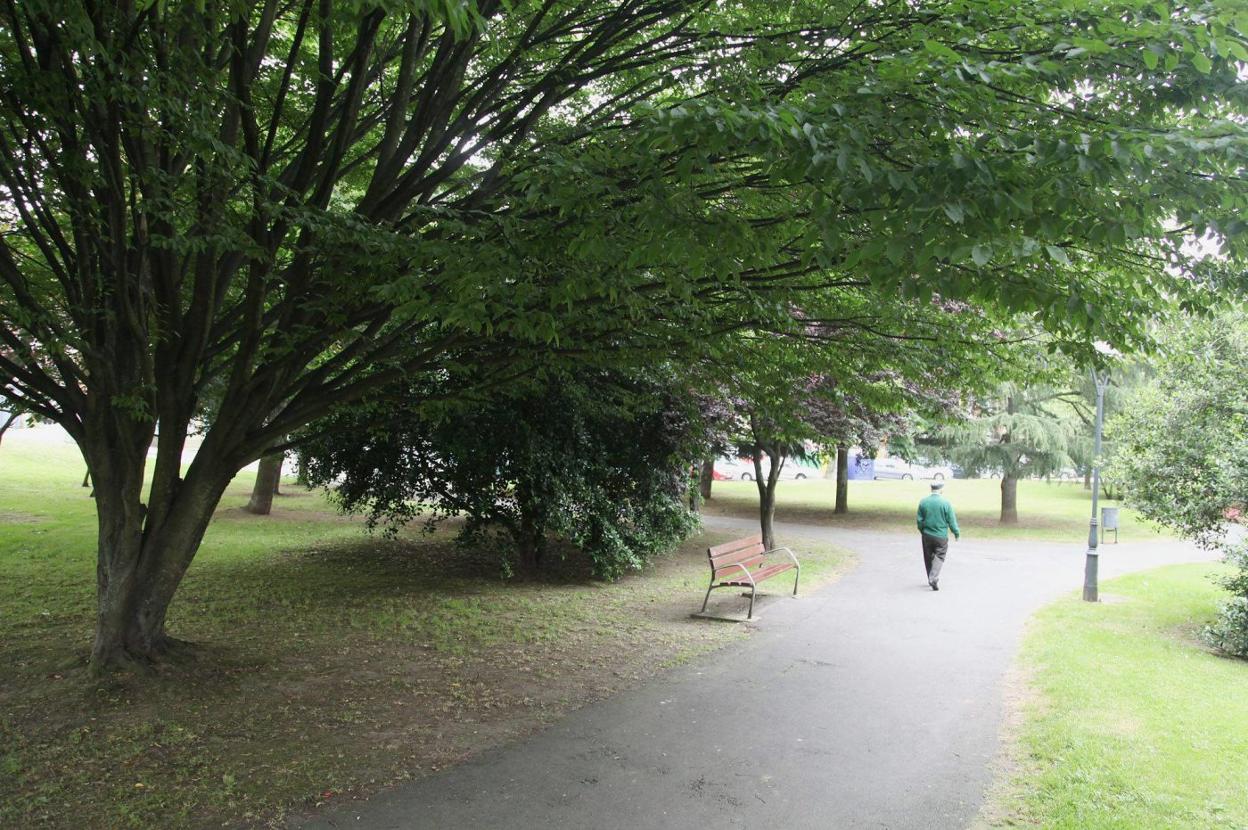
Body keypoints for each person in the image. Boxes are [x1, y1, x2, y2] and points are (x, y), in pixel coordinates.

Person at [916, 481, 959, 590]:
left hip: (927, 534)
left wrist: (922, 530)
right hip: (941, 536)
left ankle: (930, 577)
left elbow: (919, 520)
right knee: (940, 555)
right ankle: (933, 578)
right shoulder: (945, 503)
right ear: (941, 490)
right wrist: (956, 532)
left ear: (931, 489)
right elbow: (951, 520)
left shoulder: (923, 502)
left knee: (928, 556)